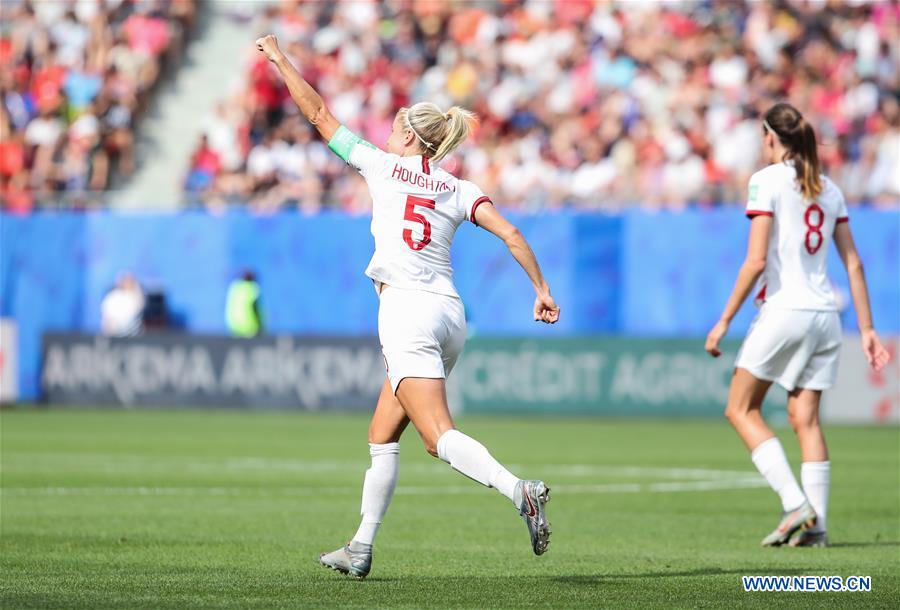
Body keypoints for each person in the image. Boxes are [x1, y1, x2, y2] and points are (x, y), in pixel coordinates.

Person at [256, 34, 561, 578]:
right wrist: (540, 289)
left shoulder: (379, 166)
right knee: (381, 434)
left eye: (395, 127)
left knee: (437, 436)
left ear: (410, 138)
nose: (386, 134)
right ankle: (360, 546)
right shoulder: (459, 187)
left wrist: (281, 60)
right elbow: (511, 232)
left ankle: (521, 492)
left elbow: (319, 113)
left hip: (406, 313)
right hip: (449, 314)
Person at [705, 103, 891, 548]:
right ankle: (818, 527)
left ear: (770, 137)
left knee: (740, 408)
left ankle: (794, 503)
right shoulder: (828, 187)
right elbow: (854, 263)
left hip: (785, 310)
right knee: (804, 418)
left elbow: (754, 261)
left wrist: (724, 319)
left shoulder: (765, 181)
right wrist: (866, 329)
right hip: (827, 315)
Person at [100, 272, 144, 337]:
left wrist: (135, 288)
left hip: (132, 333)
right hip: (113, 332)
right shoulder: (113, 295)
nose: (127, 283)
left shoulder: (135, 295)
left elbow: (140, 306)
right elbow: (105, 314)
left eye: (130, 281)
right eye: (125, 281)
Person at [226, 270, 263, 337]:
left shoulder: (235, 288)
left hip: (234, 326)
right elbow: (255, 308)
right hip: (249, 327)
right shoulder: (252, 288)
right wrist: (260, 325)